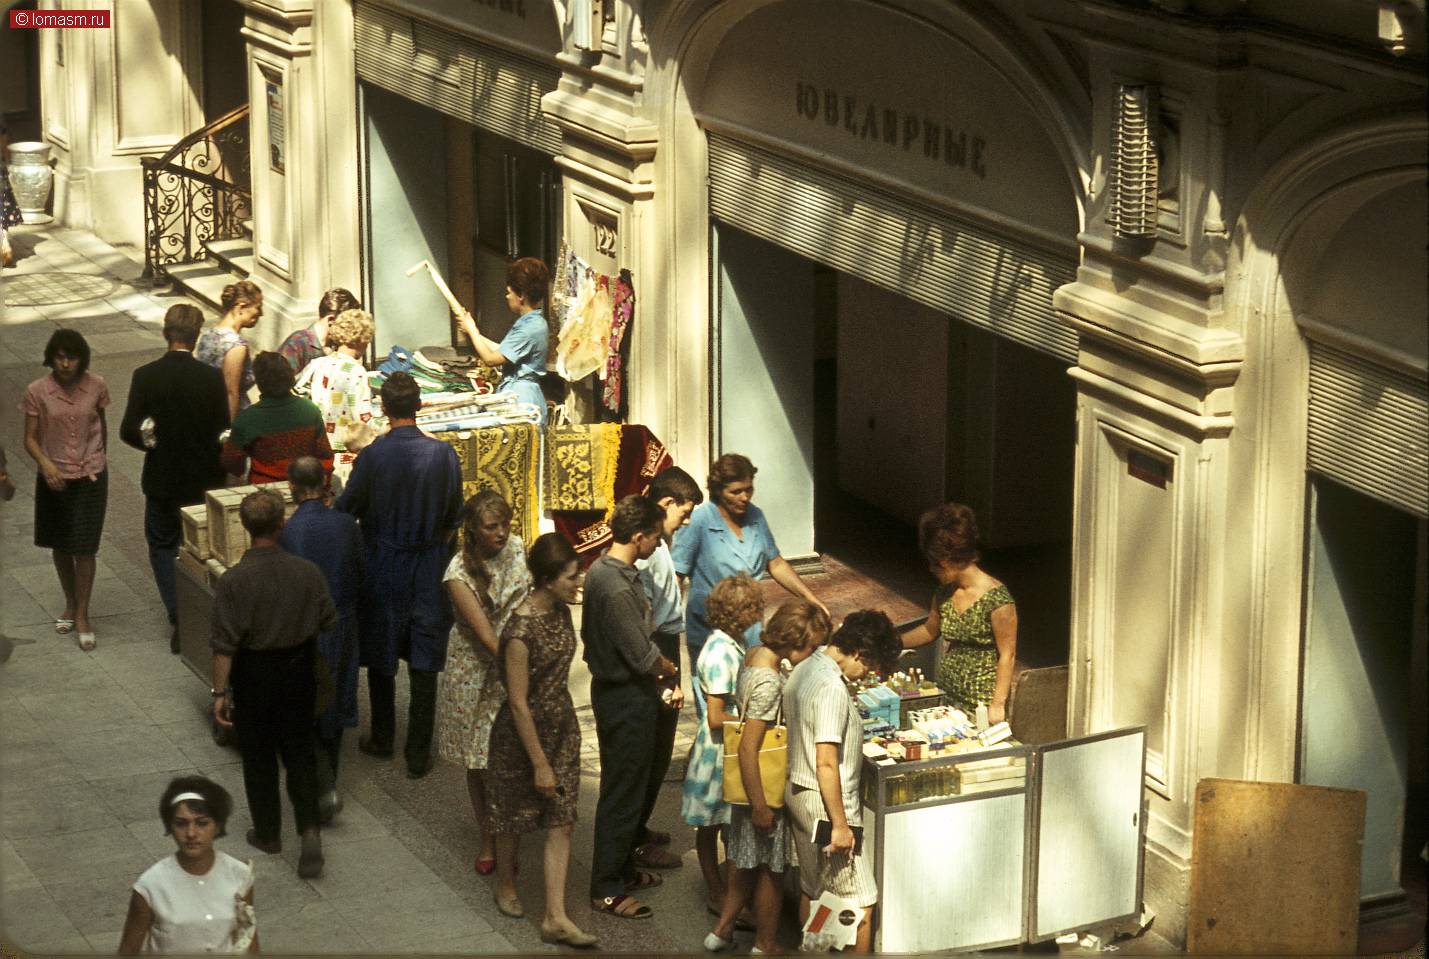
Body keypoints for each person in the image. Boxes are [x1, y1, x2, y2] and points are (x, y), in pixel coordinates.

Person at [336, 371, 463, 778]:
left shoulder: (372, 456)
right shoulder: (444, 455)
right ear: (420, 405)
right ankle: (419, 752)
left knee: (382, 654)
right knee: (425, 657)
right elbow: (453, 518)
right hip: (428, 565)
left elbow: (347, 508)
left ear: (384, 410)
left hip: (383, 564)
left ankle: (384, 737)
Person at [210, 490, 334, 879]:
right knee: (300, 753)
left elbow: (224, 646)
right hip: (298, 670)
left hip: (254, 676)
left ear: (245, 527)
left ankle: (268, 833)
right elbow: (328, 620)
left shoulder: (234, 581)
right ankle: (309, 830)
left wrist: (219, 694)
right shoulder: (307, 572)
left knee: (259, 757)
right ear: (282, 524)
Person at [486, 533, 598, 948]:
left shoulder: (562, 613)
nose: (578, 581)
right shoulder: (520, 631)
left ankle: (555, 915)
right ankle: (506, 883)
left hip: (561, 727)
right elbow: (517, 703)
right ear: (549, 579)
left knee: (562, 818)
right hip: (521, 736)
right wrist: (539, 763)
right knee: (512, 814)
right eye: (571, 576)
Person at [706, 600, 831, 953]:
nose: (812, 653)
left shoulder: (755, 655)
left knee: (744, 860)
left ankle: (722, 930)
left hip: (748, 785)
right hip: (763, 784)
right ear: (793, 641)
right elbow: (749, 746)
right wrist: (761, 806)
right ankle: (766, 942)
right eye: (810, 645)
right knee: (772, 870)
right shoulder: (769, 682)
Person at [784, 610, 902, 954]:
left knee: (814, 888)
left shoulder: (806, 666)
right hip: (826, 805)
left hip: (798, 791)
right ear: (858, 654)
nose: (864, 674)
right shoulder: (832, 688)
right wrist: (840, 824)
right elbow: (826, 761)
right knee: (859, 899)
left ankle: (814, 952)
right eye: (868, 666)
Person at [584, 495, 679, 920]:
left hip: (623, 694)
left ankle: (621, 870)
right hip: (625, 698)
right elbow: (642, 655)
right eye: (655, 538)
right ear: (638, 536)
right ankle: (606, 887)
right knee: (623, 794)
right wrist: (668, 669)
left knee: (631, 786)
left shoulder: (609, 572)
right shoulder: (617, 586)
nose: (658, 546)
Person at [673, 453, 827, 710]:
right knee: (717, 706)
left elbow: (775, 562)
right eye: (736, 491)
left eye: (749, 489)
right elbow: (676, 574)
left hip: (751, 626)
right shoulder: (700, 520)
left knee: (753, 700)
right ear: (719, 490)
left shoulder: (755, 516)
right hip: (711, 628)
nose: (745, 497)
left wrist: (811, 598)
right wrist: (669, 623)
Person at [119, 303, 230, 653]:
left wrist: (150, 441)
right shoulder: (211, 378)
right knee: (202, 548)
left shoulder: (145, 376)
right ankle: (206, 610)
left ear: (166, 333)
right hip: (202, 479)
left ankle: (179, 613)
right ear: (196, 336)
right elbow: (222, 429)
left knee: (163, 545)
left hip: (163, 477)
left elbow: (128, 430)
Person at [435, 491, 530, 872]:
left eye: (505, 523)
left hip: (518, 658)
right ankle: (489, 835)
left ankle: (512, 830)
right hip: (478, 668)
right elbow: (487, 637)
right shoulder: (457, 573)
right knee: (480, 759)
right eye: (492, 527)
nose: (502, 533)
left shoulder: (519, 549)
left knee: (514, 755)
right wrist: (517, 670)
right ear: (473, 530)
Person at [278, 456, 364, 824]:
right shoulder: (346, 525)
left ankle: (321, 785)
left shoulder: (288, 532)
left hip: (306, 630)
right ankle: (330, 778)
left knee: (310, 704)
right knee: (339, 697)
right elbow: (361, 573)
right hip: (343, 623)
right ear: (325, 482)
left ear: (292, 488)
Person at [632, 466, 702, 871]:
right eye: (684, 511)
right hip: (658, 649)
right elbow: (646, 618)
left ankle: (639, 828)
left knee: (659, 751)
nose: (687, 520)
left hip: (666, 643)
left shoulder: (661, 547)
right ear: (666, 504)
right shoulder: (652, 554)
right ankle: (634, 837)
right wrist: (664, 676)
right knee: (653, 752)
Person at [682, 574, 764, 916]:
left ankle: (727, 889)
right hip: (719, 751)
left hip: (723, 747)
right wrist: (756, 720)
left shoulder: (729, 644)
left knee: (721, 823)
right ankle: (719, 890)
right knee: (716, 824)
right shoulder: (720, 654)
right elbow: (716, 716)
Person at [22, 329, 109, 651]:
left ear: (81, 358)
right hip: (54, 475)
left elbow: (101, 425)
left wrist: (97, 459)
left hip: (90, 475)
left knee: (85, 546)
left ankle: (83, 614)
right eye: (59, 357)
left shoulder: (97, 386)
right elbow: (30, 437)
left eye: (71, 357)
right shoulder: (37, 391)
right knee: (60, 542)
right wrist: (46, 465)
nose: (65, 363)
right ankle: (70, 603)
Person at [902, 503, 1018, 723]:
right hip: (948, 691)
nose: (930, 569)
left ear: (946, 561)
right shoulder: (945, 592)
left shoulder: (998, 601)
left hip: (981, 700)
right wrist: (895, 641)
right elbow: (929, 629)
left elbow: (1007, 655)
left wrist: (997, 705)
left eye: (933, 563)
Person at [117, 776, 258, 954]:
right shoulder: (150, 886)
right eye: (181, 824)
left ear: (217, 826)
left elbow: (249, 938)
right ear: (170, 826)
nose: (191, 833)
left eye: (202, 823)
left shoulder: (239, 875)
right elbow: (128, 950)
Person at [456, 257, 551, 425]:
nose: (507, 297)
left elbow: (491, 359)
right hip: (520, 393)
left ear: (521, 295)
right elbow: (503, 350)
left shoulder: (530, 327)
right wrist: (473, 333)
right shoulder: (532, 322)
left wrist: (473, 331)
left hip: (522, 399)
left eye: (509, 292)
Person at [220, 352, 333, 485]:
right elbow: (324, 456)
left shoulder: (247, 418)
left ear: (259, 381)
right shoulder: (310, 410)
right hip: (304, 488)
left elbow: (231, 462)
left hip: (265, 493)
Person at [293, 307, 376, 450]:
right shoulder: (357, 372)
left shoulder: (317, 364)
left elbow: (297, 393)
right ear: (361, 341)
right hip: (344, 451)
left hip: (317, 446)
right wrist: (387, 427)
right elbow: (363, 419)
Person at [196, 280, 263, 420]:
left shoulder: (208, 335)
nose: (261, 313)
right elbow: (231, 392)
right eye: (258, 307)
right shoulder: (236, 345)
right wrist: (230, 432)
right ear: (241, 308)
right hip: (225, 416)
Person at [278, 287, 360, 375]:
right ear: (331, 320)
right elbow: (280, 383)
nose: (351, 329)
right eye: (348, 324)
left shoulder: (338, 346)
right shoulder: (297, 344)